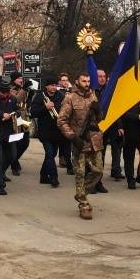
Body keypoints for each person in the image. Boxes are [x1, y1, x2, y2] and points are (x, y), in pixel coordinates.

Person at [57, 71, 103, 220]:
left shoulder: (93, 95)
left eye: (88, 81)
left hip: (95, 140)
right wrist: (72, 136)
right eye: (84, 81)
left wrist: (98, 111)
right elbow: (61, 120)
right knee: (80, 173)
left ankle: (80, 193)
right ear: (77, 81)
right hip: (79, 141)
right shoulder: (70, 98)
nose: (87, 84)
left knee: (98, 171)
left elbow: (99, 119)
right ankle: (84, 204)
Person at [29, 75, 64, 188]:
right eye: (52, 85)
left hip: (57, 131)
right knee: (49, 153)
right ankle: (53, 177)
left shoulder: (61, 96)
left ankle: (43, 175)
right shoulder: (40, 96)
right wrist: (45, 107)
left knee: (52, 155)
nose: (54, 88)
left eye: (55, 85)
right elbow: (33, 112)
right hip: (45, 131)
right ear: (46, 86)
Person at [56, 72, 74, 174]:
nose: (65, 82)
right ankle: (63, 159)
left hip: (71, 120)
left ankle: (68, 162)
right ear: (60, 82)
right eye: (63, 80)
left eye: (66, 80)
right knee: (63, 142)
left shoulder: (72, 90)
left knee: (68, 142)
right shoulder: (58, 92)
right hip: (62, 119)